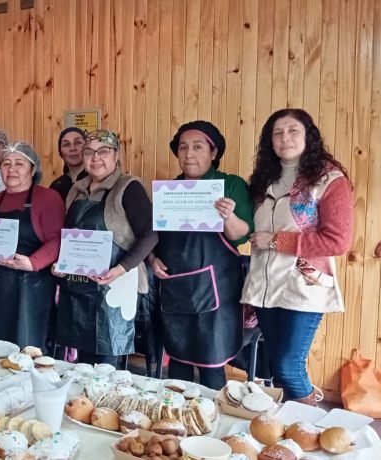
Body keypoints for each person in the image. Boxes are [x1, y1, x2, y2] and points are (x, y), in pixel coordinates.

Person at [241, 108, 353, 405]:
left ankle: (308, 429)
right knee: (277, 367)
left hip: (303, 289)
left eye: (293, 131)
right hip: (265, 289)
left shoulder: (329, 179)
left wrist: (277, 240)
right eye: (277, 133)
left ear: (308, 136)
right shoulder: (265, 180)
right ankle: (287, 434)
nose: (284, 138)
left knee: (289, 367)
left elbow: (337, 241)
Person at [149, 120, 253, 390]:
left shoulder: (230, 185)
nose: (188, 154)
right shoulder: (169, 191)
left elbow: (241, 235)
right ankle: (175, 425)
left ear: (214, 152)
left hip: (216, 290)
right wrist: (152, 259)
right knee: (179, 363)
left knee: (212, 364)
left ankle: (214, 428)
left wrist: (228, 216)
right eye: (183, 147)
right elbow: (153, 237)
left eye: (197, 146)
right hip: (175, 288)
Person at [53, 130, 158, 366]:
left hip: (117, 285)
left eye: (103, 151)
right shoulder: (76, 190)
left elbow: (151, 233)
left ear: (116, 155)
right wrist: (61, 262)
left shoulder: (128, 187)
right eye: (89, 152)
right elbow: (70, 237)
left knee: (107, 364)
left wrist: (121, 268)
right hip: (78, 287)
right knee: (81, 362)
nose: (95, 158)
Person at [0, 142, 64, 349]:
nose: (12, 169)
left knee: (25, 349)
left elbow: (57, 239)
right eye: (6, 163)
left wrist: (33, 263)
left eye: (19, 163)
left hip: (28, 288)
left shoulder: (48, 198)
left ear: (33, 169)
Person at [49, 127, 88, 201]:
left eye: (78, 142)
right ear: (60, 152)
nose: (72, 148)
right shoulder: (56, 186)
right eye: (66, 144)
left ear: (87, 147)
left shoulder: (96, 181)